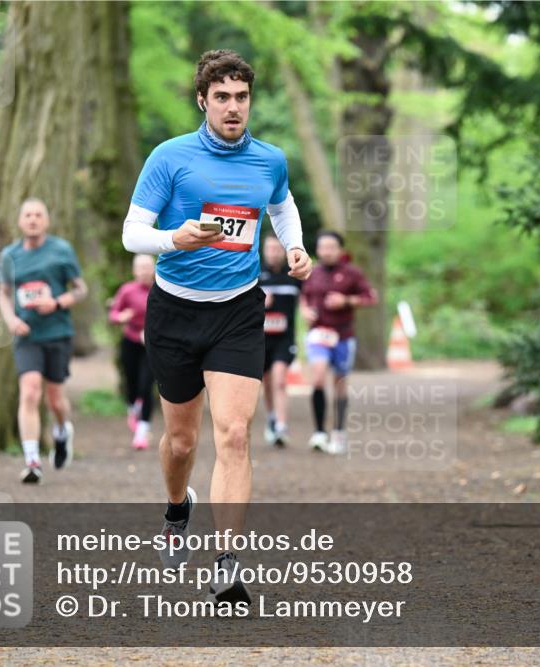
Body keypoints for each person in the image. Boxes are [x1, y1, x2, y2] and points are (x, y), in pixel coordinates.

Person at [121, 50, 311, 604]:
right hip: (175, 311)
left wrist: (295, 246)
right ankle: (178, 509)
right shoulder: (170, 157)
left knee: (233, 433)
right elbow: (134, 233)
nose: (233, 108)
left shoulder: (269, 160)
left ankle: (226, 562)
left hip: (237, 311)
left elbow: (283, 206)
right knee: (181, 442)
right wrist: (173, 239)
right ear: (203, 100)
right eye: (222, 97)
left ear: (251, 101)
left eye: (242, 97)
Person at [0, 198, 88, 483]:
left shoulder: (61, 250)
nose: (33, 219)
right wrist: (11, 320)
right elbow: (3, 292)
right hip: (27, 335)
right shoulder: (9, 255)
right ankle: (32, 460)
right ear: (20, 221)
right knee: (30, 391)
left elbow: (80, 289)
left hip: (57, 333)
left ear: (46, 221)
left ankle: (62, 432)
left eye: (38, 215)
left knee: (55, 400)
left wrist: (57, 302)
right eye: (28, 215)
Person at [299, 231, 377, 455]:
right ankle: (319, 433)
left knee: (340, 384)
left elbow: (371, 297)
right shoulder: (312, 272)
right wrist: (305, 311)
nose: (327, 251)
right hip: (318, 334)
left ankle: (339, 432)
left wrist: (346, 300)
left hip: (343, 335)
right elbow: (304, 296)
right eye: (323, 247)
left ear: (340, 249)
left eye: (331, 247)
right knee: (318, 377)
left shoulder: (352, 273)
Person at [109, 254, 157, 450]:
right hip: (130, 341)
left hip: (152, 344)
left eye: (148, 267)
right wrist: (121, 317)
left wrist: (154, 331)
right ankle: (132, 407)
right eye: (141, 267)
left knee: (147, 385)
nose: (145, 271)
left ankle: (142, 432)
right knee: (131, 383)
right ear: (134, 271)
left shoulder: (161, 290)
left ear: (154, 269)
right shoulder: (127, 290)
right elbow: (112, 314)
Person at [259, 235, 301, 448]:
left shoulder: (293, 275)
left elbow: (308, 299)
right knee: (267, 382)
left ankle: (282, 427)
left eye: (277, 249)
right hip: (261, 339)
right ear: (264, 250)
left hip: (285, 338)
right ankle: (272, 417)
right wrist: (260, 303)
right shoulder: (256, 275)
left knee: (280, 380)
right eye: (270, 248)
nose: (273, 252)